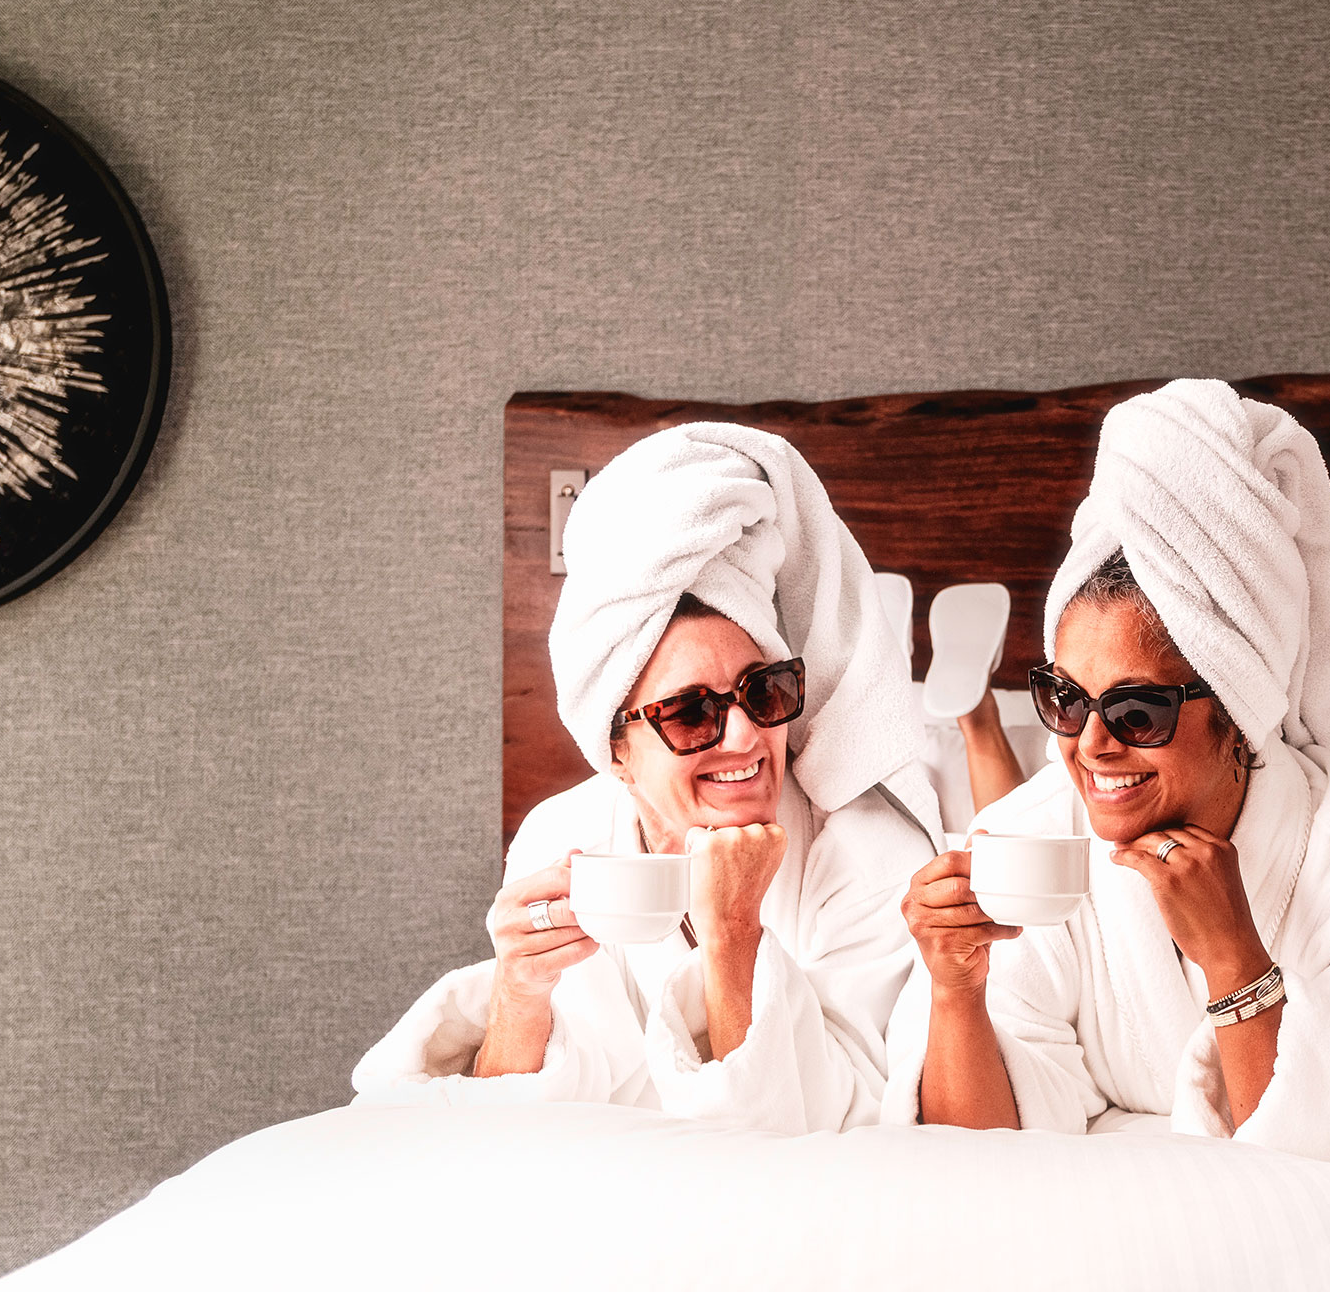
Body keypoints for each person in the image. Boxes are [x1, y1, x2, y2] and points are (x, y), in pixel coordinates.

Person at [883, 379, 1330, 1177]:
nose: (1091, 745)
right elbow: (972, 1162)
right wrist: (955, 990)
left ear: (1238, 707)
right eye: (1066, 700)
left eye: (1137, 711)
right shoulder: (1024, 843)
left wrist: (1236, 960)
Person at [354, 423, 940, 1129]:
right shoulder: (562, 837)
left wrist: (733, 935)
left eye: (764, 690)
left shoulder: (869, 849)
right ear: (616, 752)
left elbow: (850, 1124)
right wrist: (519, 991)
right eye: (690, 713)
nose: (746, 736)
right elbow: (503, 1131)